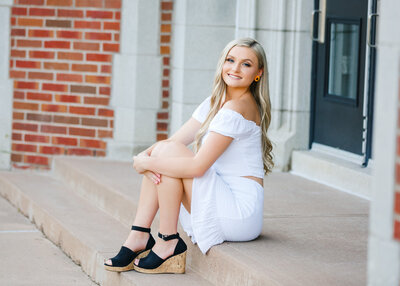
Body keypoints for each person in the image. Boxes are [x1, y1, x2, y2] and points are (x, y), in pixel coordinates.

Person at [104, 37, 274, 274]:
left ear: (258, 73)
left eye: (246, 64)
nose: (235, 68)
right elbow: (173, 141)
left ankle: (165, 240)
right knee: (167, 152)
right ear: (222, 63)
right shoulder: (217, 102)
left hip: (239, 212)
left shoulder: (239, 107)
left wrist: (147, 162)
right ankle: (141, 234)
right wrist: (145, 156)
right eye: (231, 60)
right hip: (221, 193)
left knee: (168, 159)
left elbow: (197, 167)